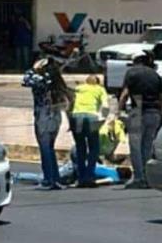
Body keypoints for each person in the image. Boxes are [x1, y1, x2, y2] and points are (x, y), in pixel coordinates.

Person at [22, 58, 71, 190]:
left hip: (44, 115)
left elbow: (26, 79)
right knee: (50, 147)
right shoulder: (56, 81)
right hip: (55, 115)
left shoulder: (41, 79)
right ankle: (55, 178)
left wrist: (35, 68)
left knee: (45, 148)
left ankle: (48, 179)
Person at [118, 51, 162, 189]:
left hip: (138, 111)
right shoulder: (156, 75)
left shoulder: (131, 73)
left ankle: (139, 178)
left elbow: (125, 94)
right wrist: (161, 114)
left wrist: (119, 111)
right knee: (148, 146)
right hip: (154, 112)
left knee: (135, 147)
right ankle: (148, 177)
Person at [70, 75, 108, 188]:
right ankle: (89, 176)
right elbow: (105, 106)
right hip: (92, 117)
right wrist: (103, 120)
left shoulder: (79, 88)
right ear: (97, 82)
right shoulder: (100, 89)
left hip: (76, 116)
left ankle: (81, 177)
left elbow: (70, 104)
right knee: (94, 147)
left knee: (80, 146)